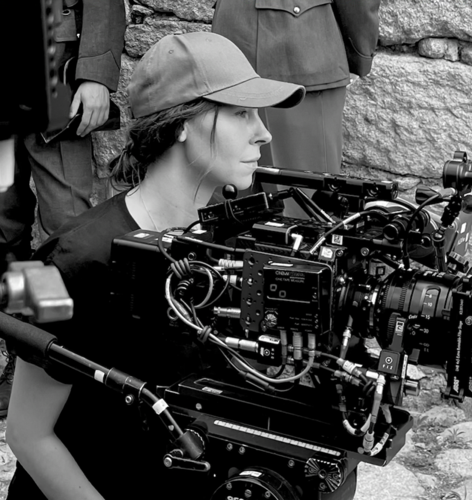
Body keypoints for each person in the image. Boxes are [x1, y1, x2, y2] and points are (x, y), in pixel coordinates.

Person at [5, 32, 305, 499]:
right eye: (241, 113)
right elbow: (26, 435)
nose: (263, 133)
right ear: (180, 125)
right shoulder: (63, 260)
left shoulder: (232, 240)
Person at [0, 0, 126, 417]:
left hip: (55, 79)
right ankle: (28, 357)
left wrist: (96, 74)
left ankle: (74, 361)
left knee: (68, 230)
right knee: (4, 232)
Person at [212, 0, 381, 217]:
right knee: (306, 205)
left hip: (232, 40)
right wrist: (360, 55)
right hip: (301, 49)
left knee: (235, 204)